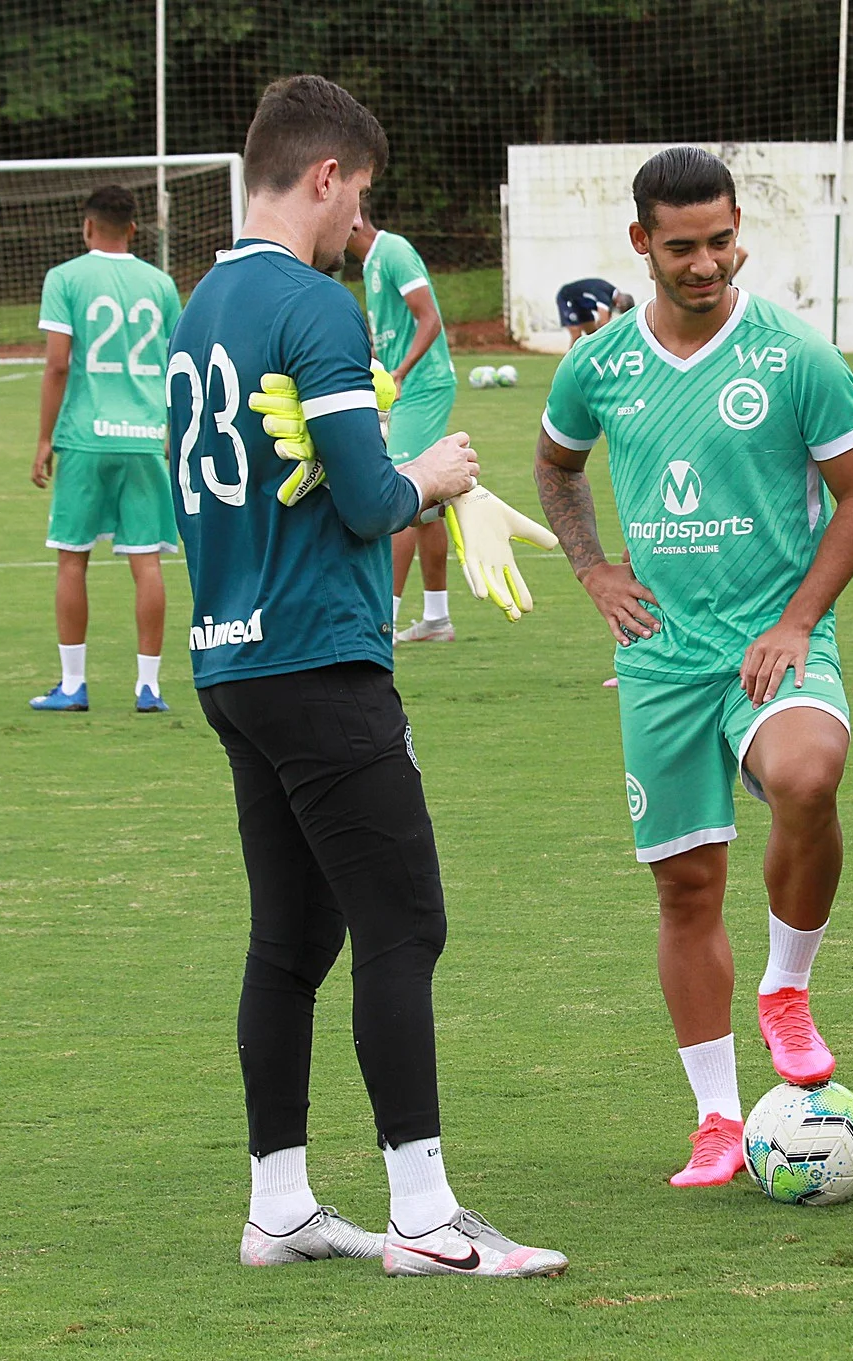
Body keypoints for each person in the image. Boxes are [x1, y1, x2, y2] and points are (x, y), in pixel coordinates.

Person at [166, 74, 563, 1278]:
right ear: (325, 175)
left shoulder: (200, 307)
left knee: (291, 935)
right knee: (406, 922)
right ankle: (425, 1218)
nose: (361, 228)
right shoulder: (315, 305)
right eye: (361, 199)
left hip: (230, 656)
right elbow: (365, 494)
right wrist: (433, 476)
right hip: (319, 656)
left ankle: (278, 1206)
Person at [534, 147, 853, 1189]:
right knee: (687, 886)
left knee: (806, 775)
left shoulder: (792, 354)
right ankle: (717, 1119)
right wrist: (593, 567)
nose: (706, 263)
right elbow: (556, 466)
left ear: (740, 232)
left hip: (773, 638)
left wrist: (795, 620)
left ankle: (787, 987)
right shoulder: (597, 364)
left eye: (721, 240)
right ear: (641, 243)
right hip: (658, 659)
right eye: (681, 246)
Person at [29, 186, 182, 713]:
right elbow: (175, 366)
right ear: (134, 229)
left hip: (86, 437)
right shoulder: (160, 283)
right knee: (147, 563)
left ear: (87, 226)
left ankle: (73, 685)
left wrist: (45, 439)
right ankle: (149, 687)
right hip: (144, 438)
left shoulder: (65, 278)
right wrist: (171, 430)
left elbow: (57, 364)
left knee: (72, 559)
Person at [350, 214, 458, 642]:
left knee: (398, 494)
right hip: (405, 388)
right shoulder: (372, 261)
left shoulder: (392, 251)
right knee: (427, 505)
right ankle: (436, 618)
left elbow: (430, 318)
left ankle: (383, 621)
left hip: (421, 387)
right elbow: (392, 333)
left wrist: (399, 372)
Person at [555, 277, 634, 345]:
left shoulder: (612, 295)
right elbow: (604, 323)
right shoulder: (604, 297)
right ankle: (570, 361)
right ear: (618, 304)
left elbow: (603, 324)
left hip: (582, 305)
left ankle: (590, 357)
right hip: (567, 298)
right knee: (576, 333)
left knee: (592, 334)